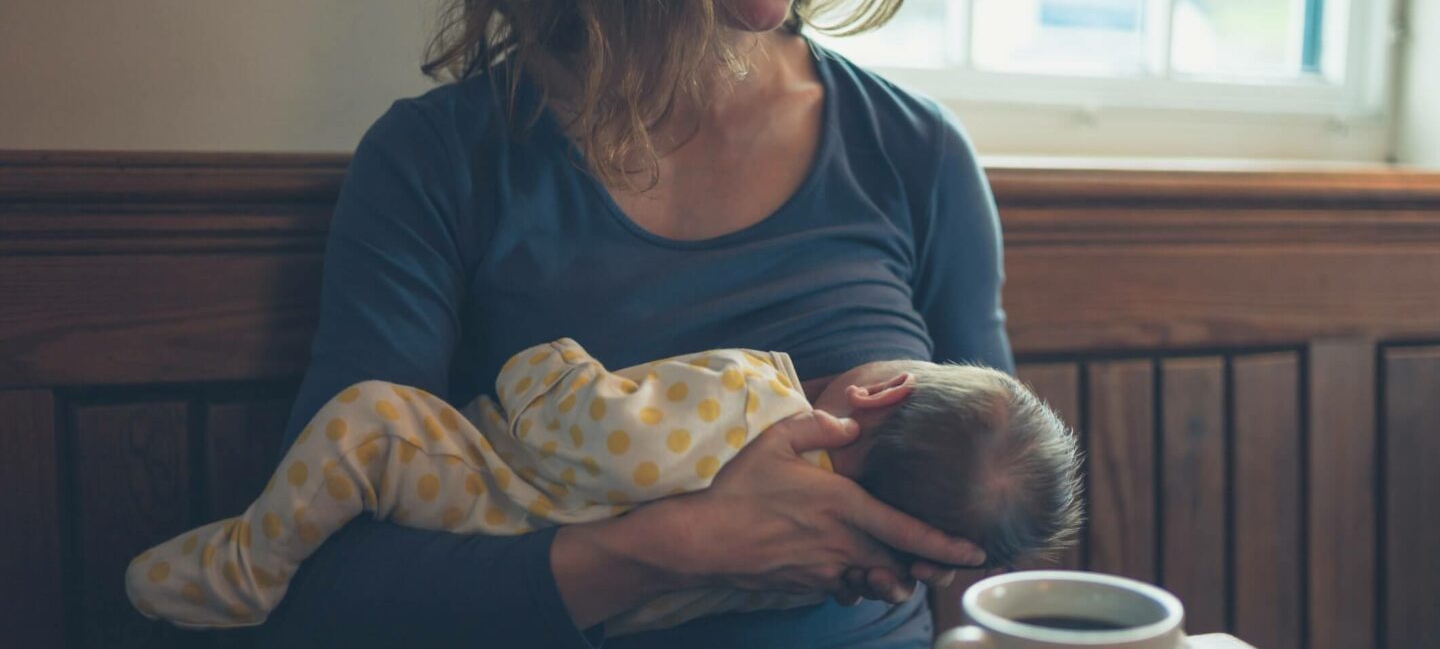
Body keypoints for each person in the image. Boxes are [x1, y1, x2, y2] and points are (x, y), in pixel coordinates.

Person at [254, 0, 1015, 646]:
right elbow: (323, 582)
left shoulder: (915, 150)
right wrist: (678, 550)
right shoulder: (439, 160)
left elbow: (996, 506)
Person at [129, 340, 1080, 634]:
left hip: (483, 490)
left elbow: (589, 431)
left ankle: (243, 565)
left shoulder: (756, 394)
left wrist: (544, 365)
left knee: (369, 422)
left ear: (878, 392)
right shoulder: (817, 567)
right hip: (523, 569)